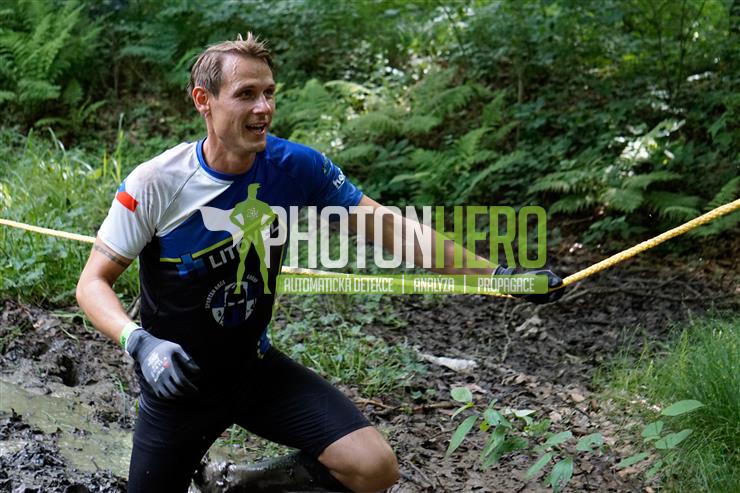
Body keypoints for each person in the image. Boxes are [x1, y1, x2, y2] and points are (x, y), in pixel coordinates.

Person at [76, 33, 564, 493]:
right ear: (203, 100)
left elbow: (395, 230)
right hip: (178, 386)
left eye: (269, 93)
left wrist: (501, 277)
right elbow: (92, 283)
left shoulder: (295, 166)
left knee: (374, 468)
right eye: (246, 94)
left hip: (254, 370)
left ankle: (243, 482)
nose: (264, 107)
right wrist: (140, 342)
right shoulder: (156, 183)